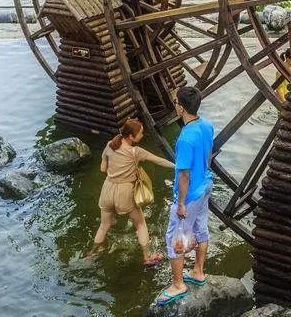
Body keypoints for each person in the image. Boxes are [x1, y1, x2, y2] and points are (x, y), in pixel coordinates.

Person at [155, 86, 214, 307]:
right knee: (201, 229)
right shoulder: (206, 126)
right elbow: (208, 155)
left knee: (175, 238)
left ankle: (178, 284)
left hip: (190, 195)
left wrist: (180, 203)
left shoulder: (185, 139)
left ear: (181, 107)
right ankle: (198, 271)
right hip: (206, 185)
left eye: (176, 103)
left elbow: (183, 175)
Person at [87, 118, 173, 265]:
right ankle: (148, 256)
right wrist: (178, 166)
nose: (142, 135)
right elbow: (158, 160)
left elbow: (102, 169)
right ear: (131, 137)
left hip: (107, 190)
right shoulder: (136, 152)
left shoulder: (109, 145)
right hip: (125, 193)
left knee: (104, 225)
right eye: (140, 133)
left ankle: (92, 253)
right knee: (140, 224)